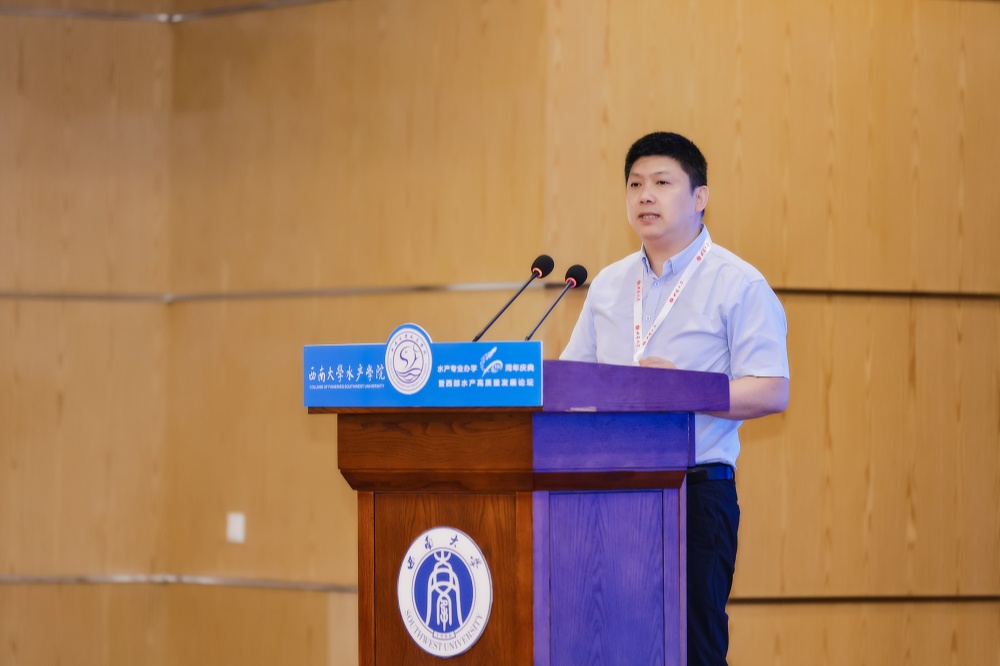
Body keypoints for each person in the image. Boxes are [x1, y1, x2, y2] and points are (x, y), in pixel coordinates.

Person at [560, 131, 790, 665]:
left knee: (693, 649)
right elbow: (573, 381)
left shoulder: (738, 283)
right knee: (610, 645)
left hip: (695, 492)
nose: (645, 195)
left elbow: (772, 388)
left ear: (699, 196)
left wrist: (683, 391)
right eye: (635, 184)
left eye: (662, 182)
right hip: (609, 492)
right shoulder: (608, 285)